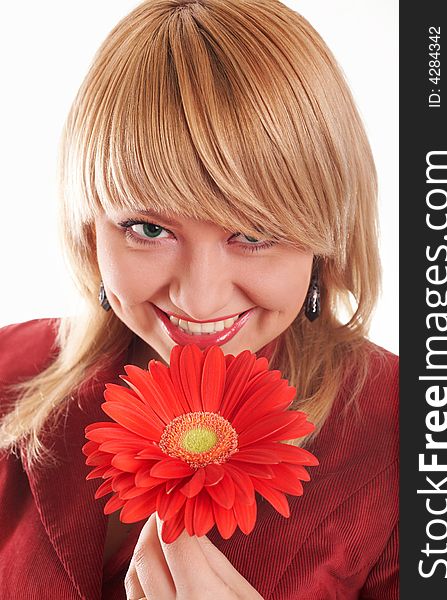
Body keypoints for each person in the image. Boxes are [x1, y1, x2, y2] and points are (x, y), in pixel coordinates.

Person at [0, 0, 398, 598]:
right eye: (149, 229)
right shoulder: (10, 367)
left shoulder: (419, 439)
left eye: (255, 233)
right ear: (89, 225)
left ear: (327, 232)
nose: (199, 297)